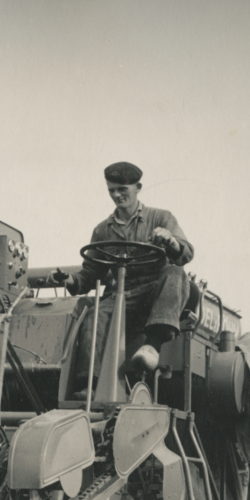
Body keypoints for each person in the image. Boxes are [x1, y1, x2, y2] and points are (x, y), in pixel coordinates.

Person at [48, 162, 193, 389]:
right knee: (94, 316)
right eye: (111, 190)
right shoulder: (102, 230)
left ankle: (152, 347)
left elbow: (186, 253)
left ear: (138, 187)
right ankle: (89, 386)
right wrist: (68, 280)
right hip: (121, 295)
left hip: (154, 292)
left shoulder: (161, 218)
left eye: (122, 190)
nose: (116, 195)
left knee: (176, 273)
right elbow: (87, 276)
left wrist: (171, 241)